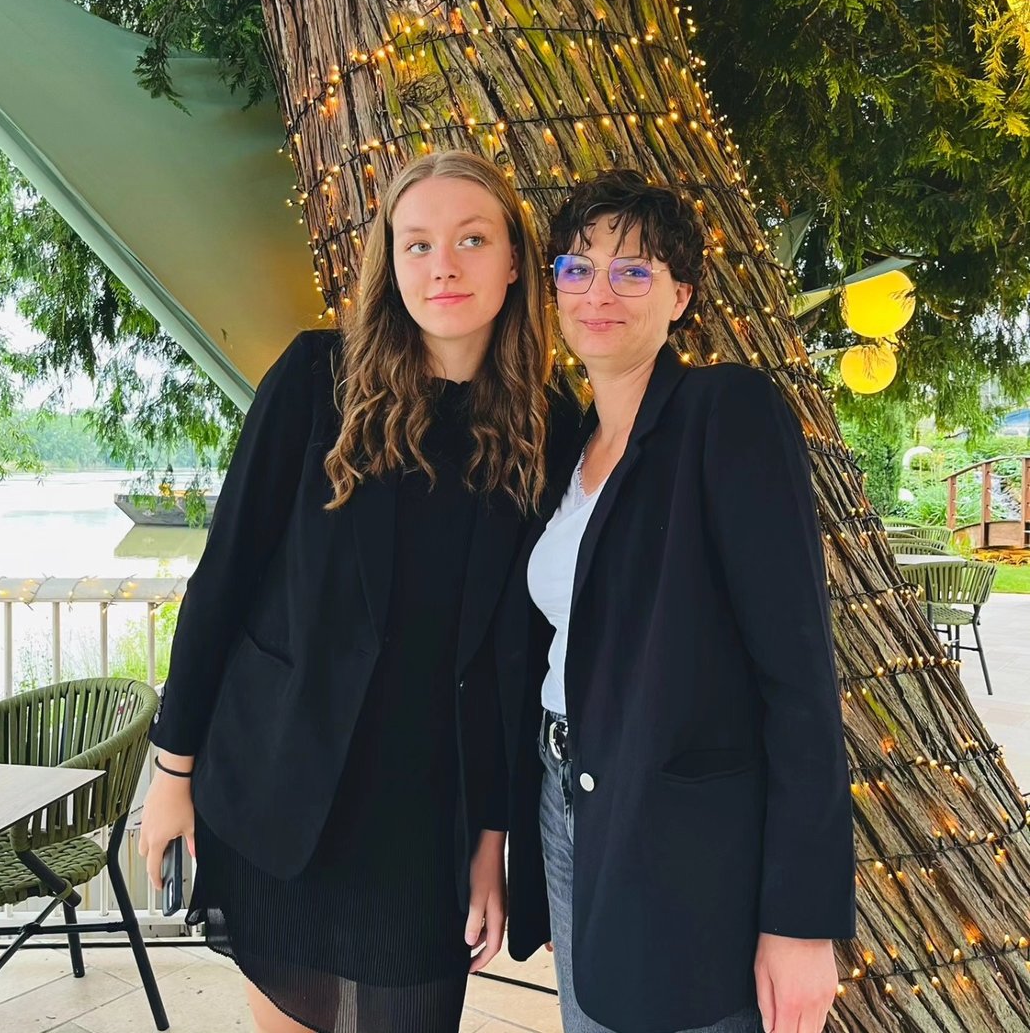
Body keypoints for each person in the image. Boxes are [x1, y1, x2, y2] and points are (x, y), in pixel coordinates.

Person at [139, 149, 565, 1033]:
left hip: (425, 822)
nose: (442, 266)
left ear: (514, 262)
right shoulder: (315, 379)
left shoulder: (549, 427)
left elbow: (515, 660)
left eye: (471, 239)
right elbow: (224, 577)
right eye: (417, 244)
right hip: (278, 792)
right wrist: (171, 774)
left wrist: (492, 838)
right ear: (390, 263)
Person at [499, 170, 856, 1033]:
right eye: (578, 268)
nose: (599, 293)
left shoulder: (725, 414)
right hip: (563, 799)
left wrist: (801, 922)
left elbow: (799, 679)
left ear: (681, 295)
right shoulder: (566, 443)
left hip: (681, 838)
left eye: (633, 270)